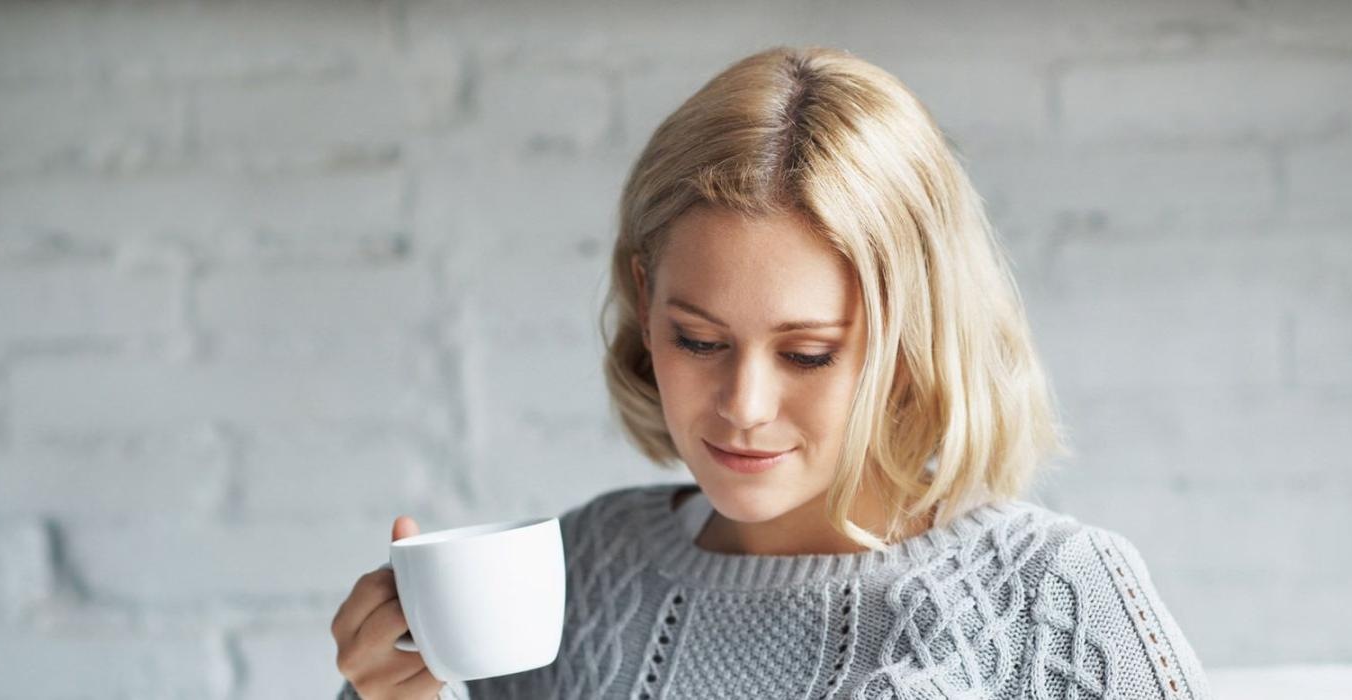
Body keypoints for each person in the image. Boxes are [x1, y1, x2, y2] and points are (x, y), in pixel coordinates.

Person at [332, 45, 1211, 700]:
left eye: (808, 354)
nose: (743, 407)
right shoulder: (581, 574)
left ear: (914, 338)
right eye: (699, 341)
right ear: (646, 305)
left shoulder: (1053, 598)